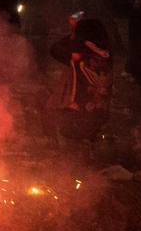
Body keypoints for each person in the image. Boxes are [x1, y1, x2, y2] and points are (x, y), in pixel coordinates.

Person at [48, 14, 113, 151]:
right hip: (97, 109)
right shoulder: (106, 53)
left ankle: (78, 147)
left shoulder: (82, 56)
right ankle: (88, 142)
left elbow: (55, 49)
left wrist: (72, 47)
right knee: (92, 122)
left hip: (78, 109)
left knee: (72, 127)